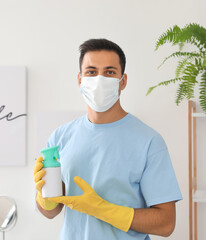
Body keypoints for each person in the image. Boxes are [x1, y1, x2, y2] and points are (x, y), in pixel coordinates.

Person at [34, 38, 182, 240]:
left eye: (110, 72)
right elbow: (51, 211)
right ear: (80, 79)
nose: (99, 79)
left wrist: (104, 210)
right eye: (91, 72)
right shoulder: (60, 137)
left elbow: (166, 224)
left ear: (123, 81)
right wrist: (45, 199)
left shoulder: (149, 142)